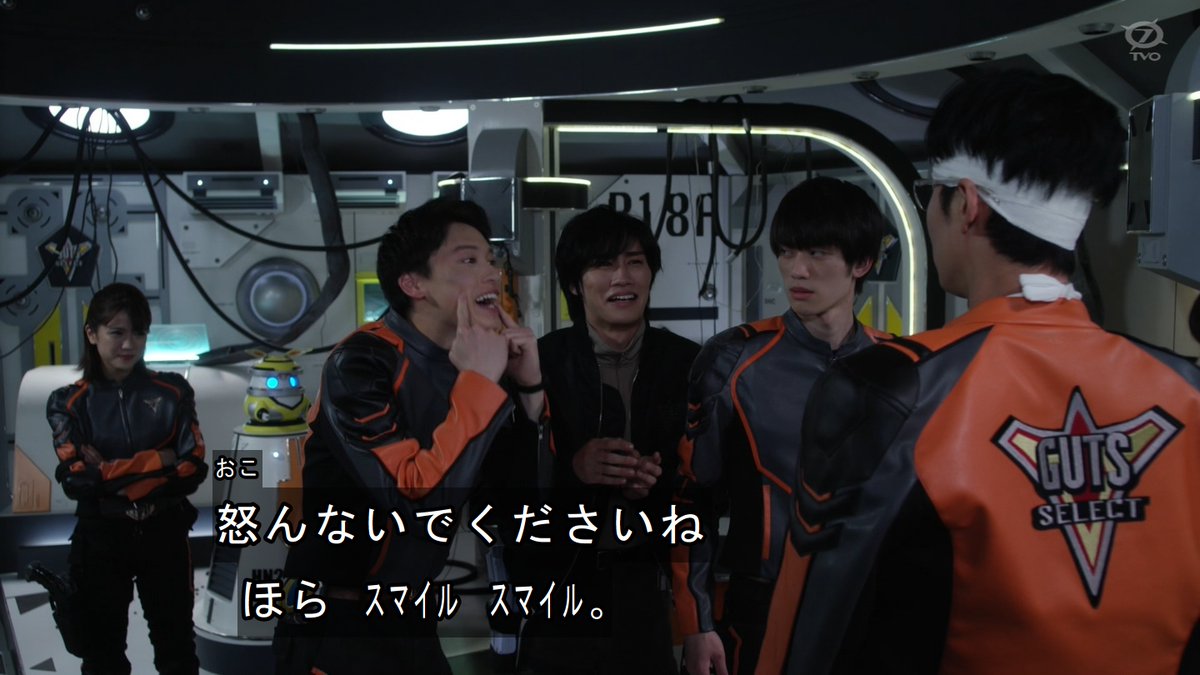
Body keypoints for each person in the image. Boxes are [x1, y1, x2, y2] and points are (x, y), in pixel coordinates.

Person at [760, 70, 1200, 675]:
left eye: (929, 194)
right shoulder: (1184, 387)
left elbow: (813, 628)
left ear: (965, 204)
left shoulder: (892, 390)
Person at [272, 198, 546, 674]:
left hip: (410, 614)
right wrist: (480, 384)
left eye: (491, 259)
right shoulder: (360, 364)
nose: (492, 274)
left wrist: (530, 390)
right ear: (413, 284)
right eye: (468, 260)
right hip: (337, 624)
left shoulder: (475, 368)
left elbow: (513, 505)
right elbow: (415, 502)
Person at [673, 177, 890, 675]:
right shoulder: (732, 359)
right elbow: (689, 498)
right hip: (762, 606)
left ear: (861, 263)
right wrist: (696, 622)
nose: (797, 269)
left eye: (816, 252)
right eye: (787, 252)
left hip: (872, 606)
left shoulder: (901, 366)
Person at [516, 206, 699, 674]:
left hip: (646, 583)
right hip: (559, 584)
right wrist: (572, 469)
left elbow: (708, 483)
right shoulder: (539, 364)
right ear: (576, 284)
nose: (623, 277)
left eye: (635, 262)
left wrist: (656, 483)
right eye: (603, 264)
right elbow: (498, 486)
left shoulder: (688, 364)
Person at [47, 282, 209, 675]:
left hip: (164, 532)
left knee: (177, 650)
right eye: (117, 332)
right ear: (92, 333)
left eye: (138, 332)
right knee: (102, 655)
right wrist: (158, 460)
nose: (128, 344)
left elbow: (192, 467)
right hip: (101, 537)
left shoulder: (173, 391)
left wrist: (108, 471)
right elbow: (78, 480)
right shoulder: (67, 402)